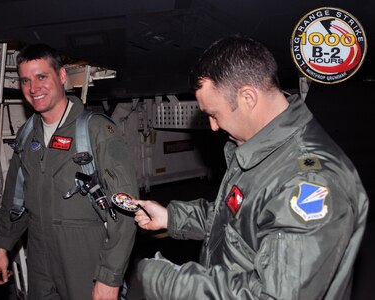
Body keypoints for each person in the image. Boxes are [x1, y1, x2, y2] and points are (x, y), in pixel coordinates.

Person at [134, 35, 369, 300]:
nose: (212, 126)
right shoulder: (263, 150)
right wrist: (171, 217)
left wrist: (165, 281)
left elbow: (273, 296)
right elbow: (235, 218)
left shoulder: (308, 182)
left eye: (214, 114)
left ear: (247, 97)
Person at [0, 44, 138, 300]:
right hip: (39, 254)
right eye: (25, 80)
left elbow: (125, 213)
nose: (33, 88)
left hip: (85, 255)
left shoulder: (97, 132)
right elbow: (15, 196)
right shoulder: (28, 134)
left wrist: (109, 277)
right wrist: (4, 246)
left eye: (41, 77)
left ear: (61, 76)